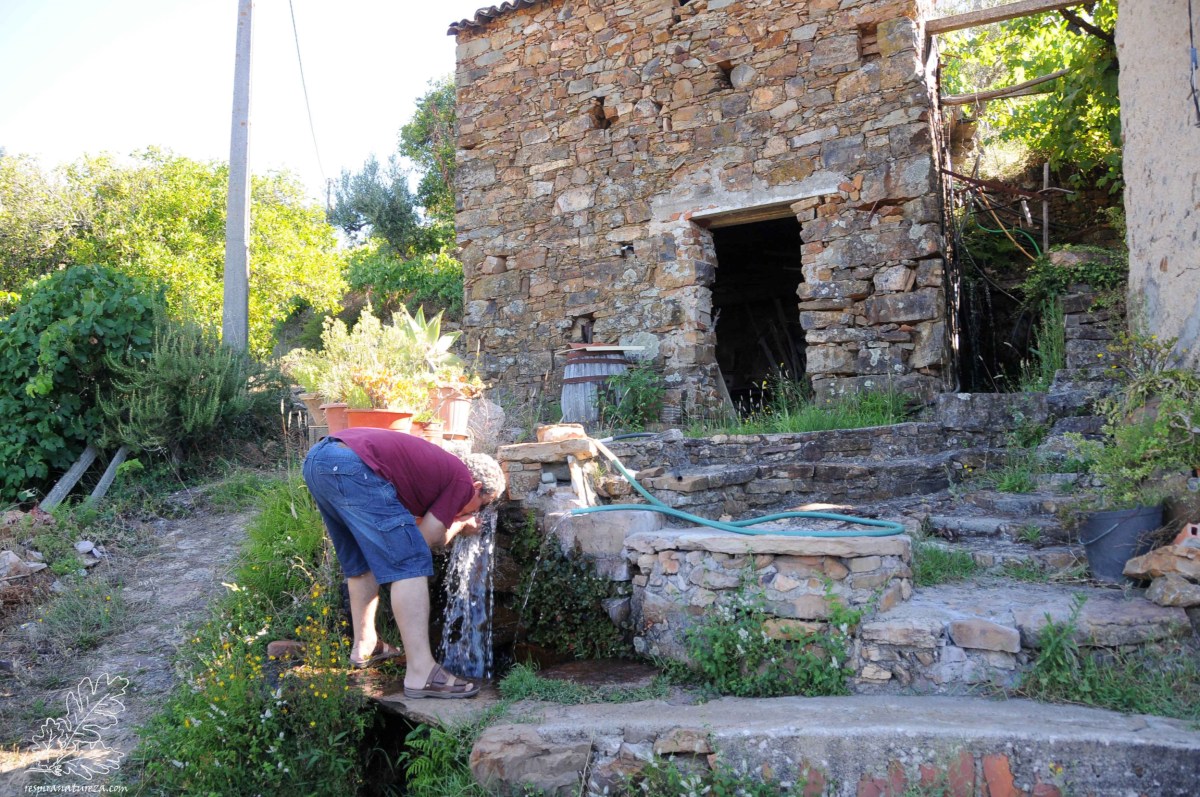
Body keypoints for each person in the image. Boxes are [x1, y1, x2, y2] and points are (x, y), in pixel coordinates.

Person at [301, 427, 505, 699]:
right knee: (411, 561)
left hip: (319, 460)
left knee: (362, 560)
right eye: (481, 504)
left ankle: (365, 645)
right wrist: (460, 524)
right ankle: (421, 672)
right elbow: (427, 539)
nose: (477, 511)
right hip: (351, 466)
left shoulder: (439, 471)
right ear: (477, 488)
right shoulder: (462, 481)